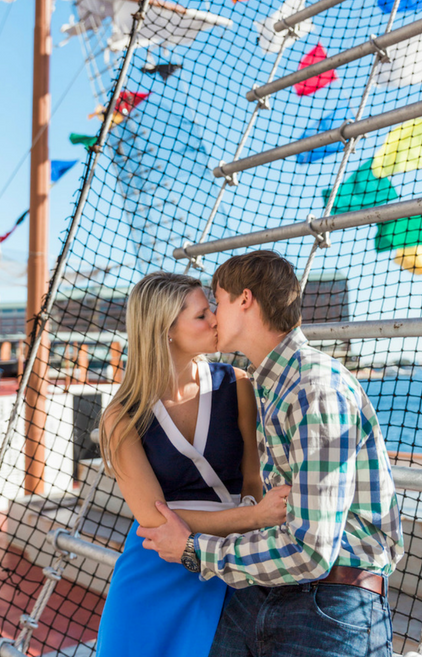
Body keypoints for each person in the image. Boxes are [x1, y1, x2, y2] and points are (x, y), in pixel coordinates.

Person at [139, 251, 403, 657]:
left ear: (244, 300)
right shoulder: (269, 387)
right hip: (265, 593)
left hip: (330, 605)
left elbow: (311, 551)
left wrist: (194, 549)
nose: (213, 314)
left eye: (217, 300)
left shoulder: (313, 387)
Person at [96, 271, 290, 657]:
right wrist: (254, 518)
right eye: (202, 315)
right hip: (152, 576)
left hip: (225, 567)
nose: (217, 319)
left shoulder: (238, 384)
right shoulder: (121, 417)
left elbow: (252, 480)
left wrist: (247, 522)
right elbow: (154, 522)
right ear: (166, 329)